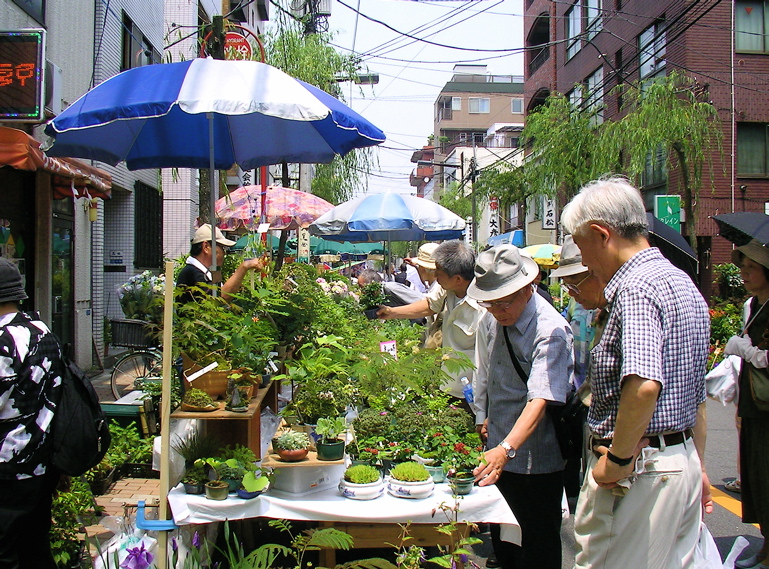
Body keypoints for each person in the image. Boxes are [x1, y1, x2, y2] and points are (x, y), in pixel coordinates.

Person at [561, 177, 711, 569]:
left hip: (640, 471)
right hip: (680, 461)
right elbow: (696, 395)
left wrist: (620, 460)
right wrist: (696, 463)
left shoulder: (634, 288)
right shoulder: (682, 281)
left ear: (601, 233)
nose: (584, 260)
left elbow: (644, 385)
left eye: (580, 245)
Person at [469, 245, 574, 569]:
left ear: (530, 285)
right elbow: (485, 370)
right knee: (506, 545)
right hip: (499, 454)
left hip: (537, 461)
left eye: (506, 301)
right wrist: (483, 418)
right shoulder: (492, 320)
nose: (499, 310)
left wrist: (506, 448)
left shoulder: (550, 330)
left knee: (537, 546)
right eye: (491, 302)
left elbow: (540, 398)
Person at [0, 258, 64, 569]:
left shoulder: (4, 340)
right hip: (41, 461)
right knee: (35, 548)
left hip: (8, 466)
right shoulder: (41, 331)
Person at [377, 240, 483, 404]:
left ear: (457, 279)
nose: (435, 275)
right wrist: (391, 312)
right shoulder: (447, 288)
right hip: (446, 384)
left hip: (471, 393)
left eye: (439, 272)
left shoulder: (483, 306)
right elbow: (429, 306)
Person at [550, 235, 608, 498]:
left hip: (602, 401)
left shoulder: (620, 310)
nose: (571, 292)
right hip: (579, 389)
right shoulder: (578, 301)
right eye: (567, 286)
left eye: (574, 284)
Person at [723, 240, 769, 569]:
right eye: (743, 267)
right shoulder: (752, 305)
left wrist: (748, 351)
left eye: (752, 268)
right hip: (753, 403)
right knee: (755, 475)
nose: (745, 273)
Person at [176, 224, 266, 303]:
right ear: (206, 247)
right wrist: (244, 267)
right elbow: (220, 298)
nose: (224, 253)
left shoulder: (207, 271)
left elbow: (220, 290)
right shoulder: (193, 273)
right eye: (222, 248)